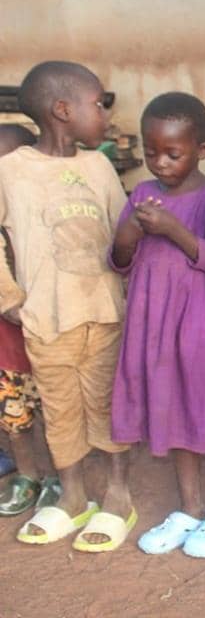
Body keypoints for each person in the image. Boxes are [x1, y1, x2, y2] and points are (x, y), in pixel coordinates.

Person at [110, 93, 205, 558]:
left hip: (200, 325)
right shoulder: (140, 195)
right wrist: (132, 230)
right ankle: (191, 508)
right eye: (152, 153)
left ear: (203, 149)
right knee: (172, 407)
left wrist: (174, 230)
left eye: (173, 153)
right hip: (152, 322)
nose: (160, 162)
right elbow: (119, 260)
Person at [0, 61, 136, 551]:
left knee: (105, 404)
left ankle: (119, 493)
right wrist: (10, 297)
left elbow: (125, 234)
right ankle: (75, 496)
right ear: (63, 110)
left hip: (102, 313)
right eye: (97, 104)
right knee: (61, 412)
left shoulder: (98, 165)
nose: (103, 113)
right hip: (45, 319)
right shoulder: (11, 171)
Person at [0, 123, 59, 518]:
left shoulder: (47, 218)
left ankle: (60, 476)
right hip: (6, 348)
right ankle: (27, 473)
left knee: (58, 414)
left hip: (49, 340)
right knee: (13, 416)